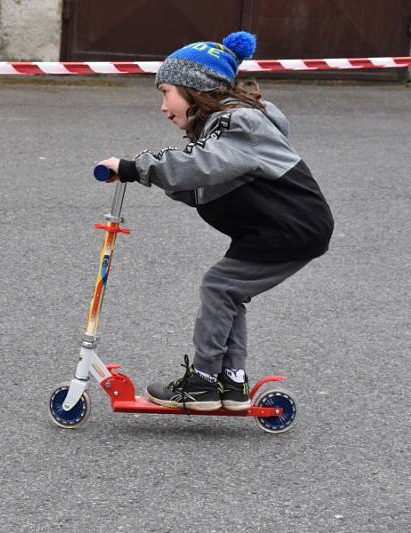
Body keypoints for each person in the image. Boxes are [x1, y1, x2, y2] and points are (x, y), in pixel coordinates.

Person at [97, 31, 333, 412]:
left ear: (196, 89)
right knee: (229, 292)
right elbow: (204, 184)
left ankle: (205, 381)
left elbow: (201, 166)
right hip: (277, 228)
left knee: (219, 286)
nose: (162, 106)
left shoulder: (236, 123)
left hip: (290, 227)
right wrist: (148, 178)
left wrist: (134, 168)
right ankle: (231, 381)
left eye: (166, 93)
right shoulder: (225, 132)